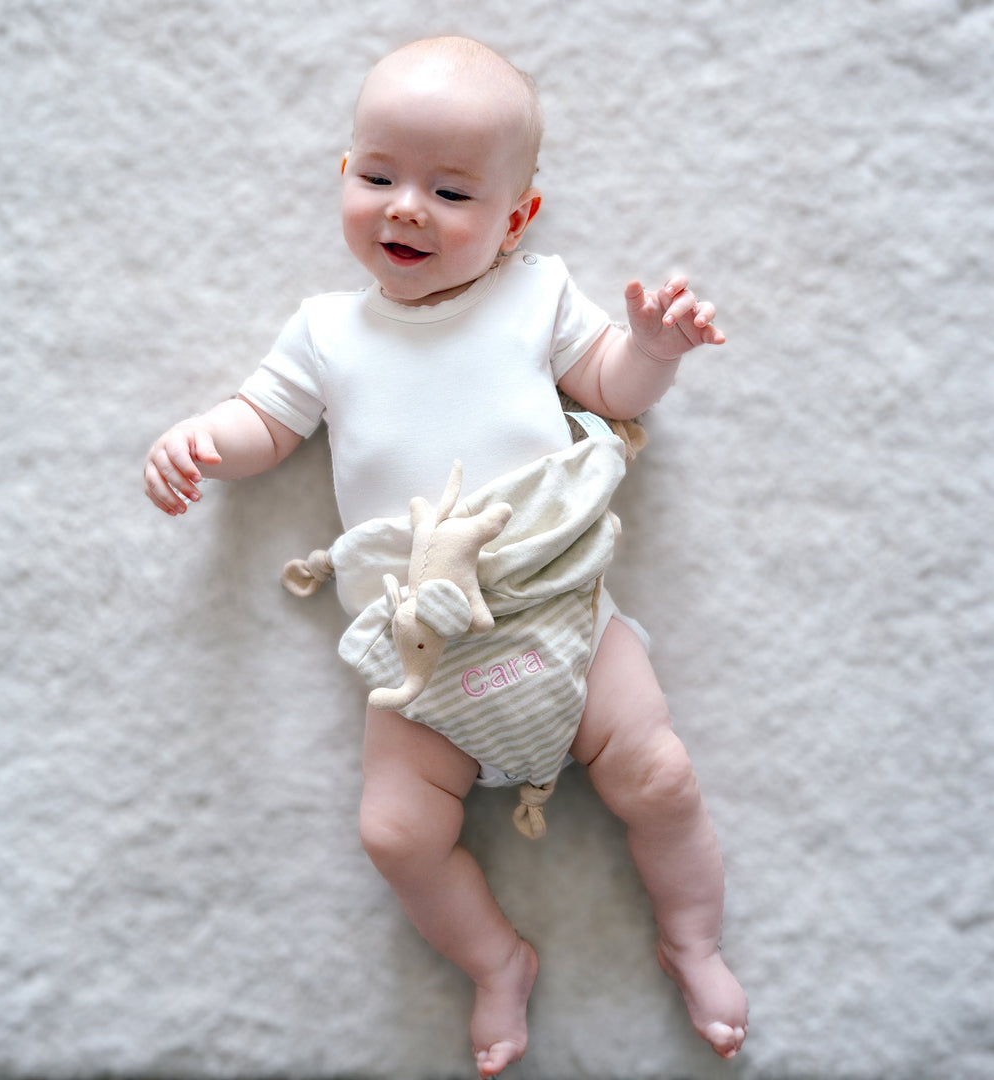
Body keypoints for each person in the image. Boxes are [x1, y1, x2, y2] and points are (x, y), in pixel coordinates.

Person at [144, 35, 748, 1078]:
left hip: (557, 613)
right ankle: (494, 961)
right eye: (377, 176)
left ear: (517, 219)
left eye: (451, 191)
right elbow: (266, 422)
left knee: (660, 774)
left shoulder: (535, 296)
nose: (405, 208)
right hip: (423, 654)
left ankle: (691, 938)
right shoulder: (328, 332)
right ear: (345, 175)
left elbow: (606, 385)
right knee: (393, 833)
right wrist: (204, 439)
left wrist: (650, 351)